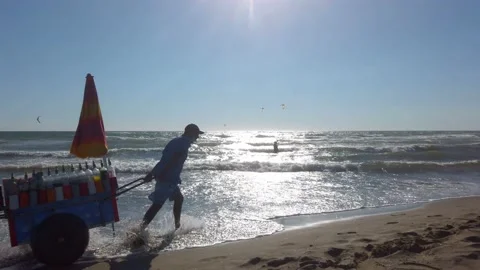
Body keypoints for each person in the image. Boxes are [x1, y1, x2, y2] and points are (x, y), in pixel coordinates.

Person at [140, 123, 204, 230]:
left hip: (171, 179)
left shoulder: (177, 141)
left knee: (179, 198)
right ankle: (139, 230)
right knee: (157, 205)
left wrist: (153, 174)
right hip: (167, 179)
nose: (198, 137)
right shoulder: (183, 144)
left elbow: (164, 160)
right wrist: (154, 174)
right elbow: (168, 161)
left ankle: (177, 226)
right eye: (197, 134)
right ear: (191, 133)